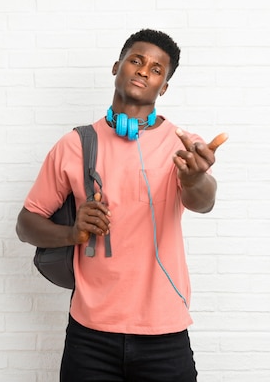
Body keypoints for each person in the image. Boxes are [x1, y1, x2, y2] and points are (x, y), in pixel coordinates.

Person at [16, 28, 228, 381]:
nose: (145, 71)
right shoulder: (74, 144)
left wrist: (193, 180)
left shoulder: (185, 146)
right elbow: (26, 224)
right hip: (90, 334)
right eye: (137, 60)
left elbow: (204, 202)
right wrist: (73, 231)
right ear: (117, 66)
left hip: (165, 332)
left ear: (164, 88)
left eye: (157, 70)